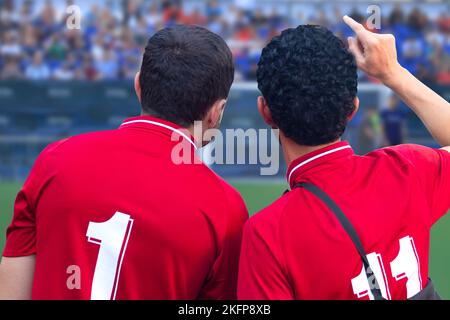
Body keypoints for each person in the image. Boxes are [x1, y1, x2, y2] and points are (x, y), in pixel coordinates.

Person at [0, 25, 248, 300]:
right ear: (217, 111)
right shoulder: (226, 209)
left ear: (138, 85)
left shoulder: (55, 159)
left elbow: (12, 290)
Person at [238, 17, 450, 300]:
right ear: (353, 109)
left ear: (265, 112)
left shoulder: (267, 234)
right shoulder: (407, 169)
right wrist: (392, 73)